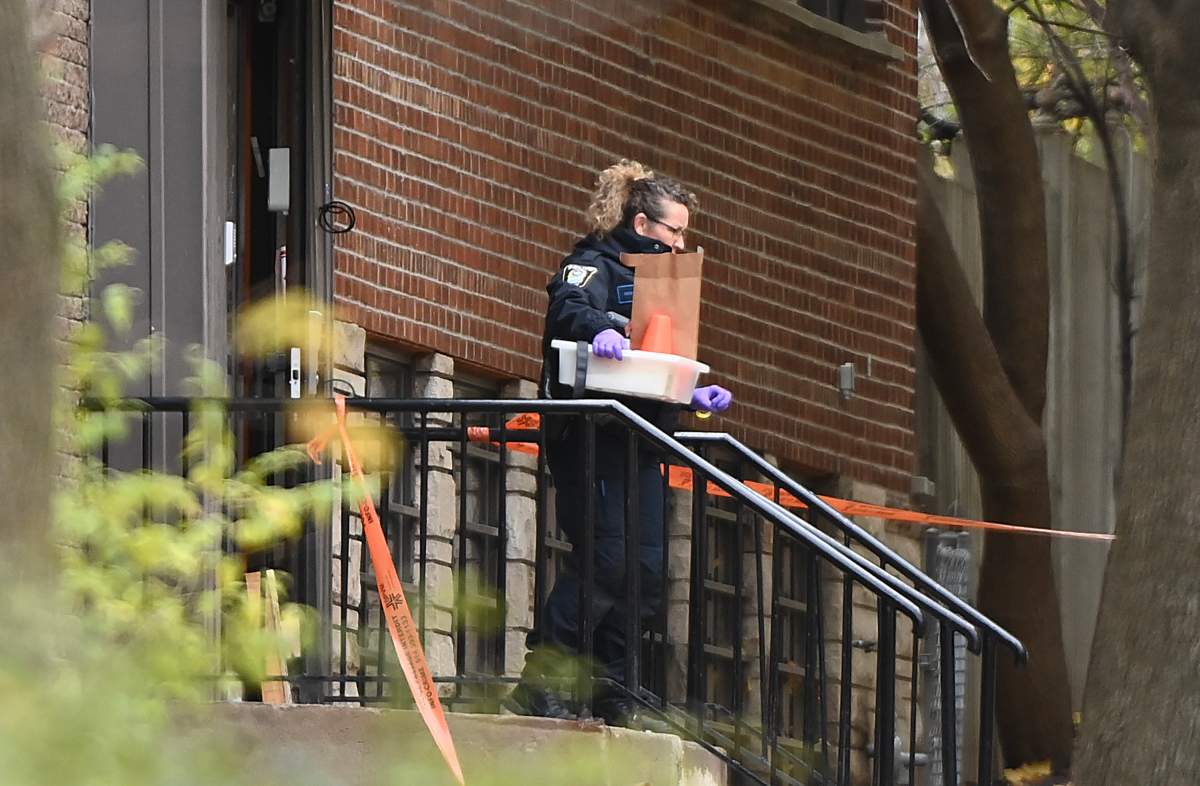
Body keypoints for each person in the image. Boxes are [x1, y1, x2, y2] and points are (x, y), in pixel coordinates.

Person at [503, 160, 733, 727]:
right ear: (642, 222)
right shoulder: (594, 261)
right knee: (606, 559)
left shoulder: (667, 285)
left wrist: (691, 395)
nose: (682, 243)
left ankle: (613, 685)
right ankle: (544, 680)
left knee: (646, 569)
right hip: (591, 434)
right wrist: (597, 328)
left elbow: (657, 356)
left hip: (643, 439)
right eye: (674, 231)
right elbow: (568, 309)